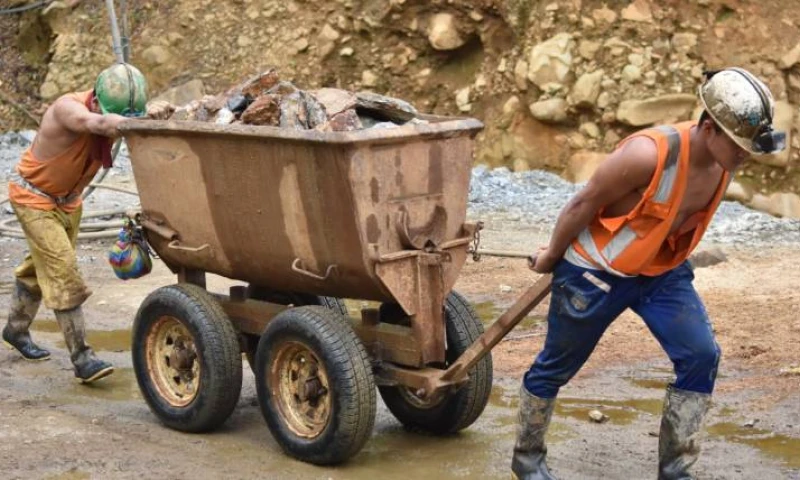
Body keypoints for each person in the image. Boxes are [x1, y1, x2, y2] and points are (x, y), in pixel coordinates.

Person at [512, 67, 786, 480]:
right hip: (596, 274)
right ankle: (526, 459)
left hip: (660, 273)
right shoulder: (648, 155)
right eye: (739, 146)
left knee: (700, 355)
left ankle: (676, 471)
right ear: (709, 128)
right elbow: (582, 203)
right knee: (556, 366)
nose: (745, 155)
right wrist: (551, 255)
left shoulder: (723, 160)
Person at [2, 63, 147, 384]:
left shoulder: (111, 111)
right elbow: (93, 122)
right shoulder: (69, 109)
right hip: (34, 198)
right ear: (96, 99)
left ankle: (15, 328)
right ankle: (83, 358)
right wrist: (123, 123)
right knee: (62, 270)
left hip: (69, 202)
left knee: (39, 266)